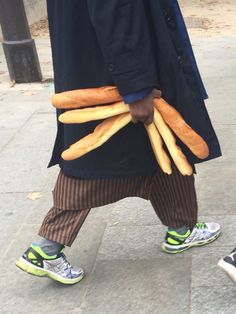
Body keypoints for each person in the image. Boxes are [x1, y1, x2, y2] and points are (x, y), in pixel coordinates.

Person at [16, 0, 222, 285]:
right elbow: (115, 13)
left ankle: (181, 226)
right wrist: (136, 87)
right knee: (96, 158)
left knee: (166, 147)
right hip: (123, 73)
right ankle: (46, 248)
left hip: (105, 63)